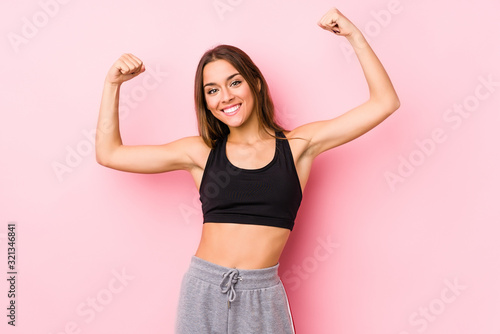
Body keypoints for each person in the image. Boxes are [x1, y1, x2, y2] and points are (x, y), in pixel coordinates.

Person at [95, 7, 400, 334]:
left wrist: (354, 35)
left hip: (262, 295)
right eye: (212, 90)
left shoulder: (298, 146)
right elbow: (109, 153)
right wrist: (112, 83)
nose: (225, 96)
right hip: (203, 290)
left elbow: (385, 102)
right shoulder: (200, 153)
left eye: (234, 82)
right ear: (206, 101)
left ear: (254, 82)